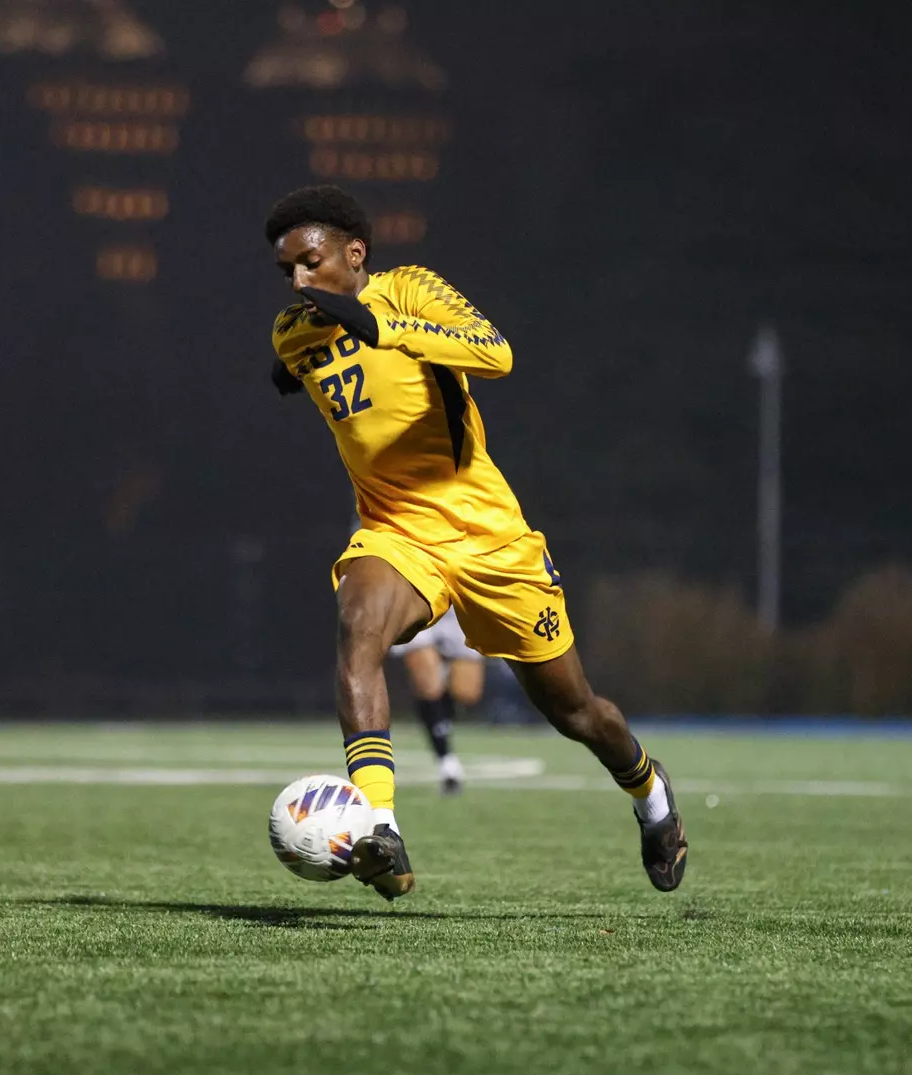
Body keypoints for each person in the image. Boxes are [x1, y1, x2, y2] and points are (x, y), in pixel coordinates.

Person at [266, 185, 687, 897]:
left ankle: (650, 792)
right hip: (398, 532)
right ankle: (380, 826)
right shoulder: (294, 329)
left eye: (310, 263)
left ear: (354, 253)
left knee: (574, 711)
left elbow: (496, 355)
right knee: (357, 626)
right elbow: (287, 368)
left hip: (490, 537)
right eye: (288, 273)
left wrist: (378, 326)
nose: (299, 282)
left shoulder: (412, 290)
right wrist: (299, 349)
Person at [390, 607, 483, 796]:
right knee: (427, 684)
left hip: (459, 602)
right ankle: (447, 762)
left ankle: (441, 693)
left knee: (467, 692)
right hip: (420, 596)